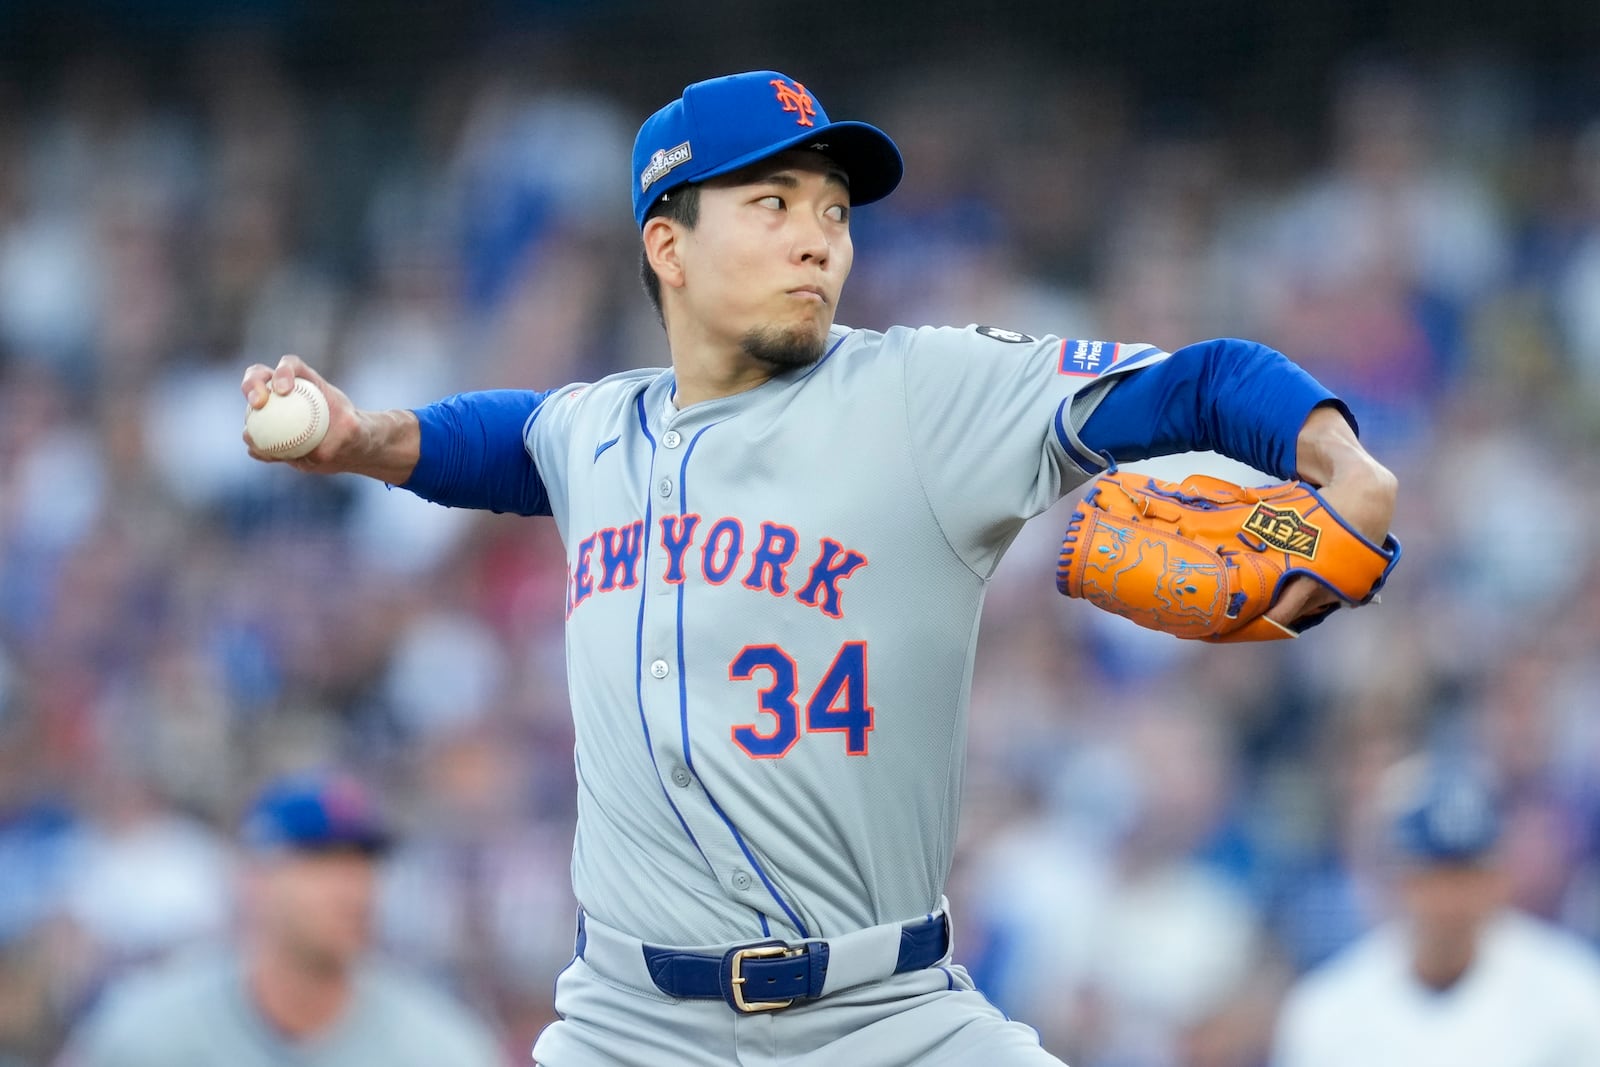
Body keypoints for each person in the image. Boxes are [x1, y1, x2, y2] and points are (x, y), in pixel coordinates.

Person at [239, 70, 1398, 1065]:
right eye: (771, 201)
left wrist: (1335, 457)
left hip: (885, 1015)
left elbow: (1196, 382)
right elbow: (502, 440)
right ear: (667, 245)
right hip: (631, 1025)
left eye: (834, 210)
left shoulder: (924, 394)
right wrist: (360, 437)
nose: (817, 236)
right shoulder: (596, 430)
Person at [57, 770, 506, 1067]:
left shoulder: (440, 1048)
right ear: (253, 879)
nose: (353, 888)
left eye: (365, 863)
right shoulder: (148, 1035)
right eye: (321, 861)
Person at [1272, 756, 1600, 1067]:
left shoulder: (1569, 995)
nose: (1449, 901)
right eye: (1430, 877)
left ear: (1499, 878)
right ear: (1393, 880)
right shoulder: (1327, 1012)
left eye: (1466, 875)